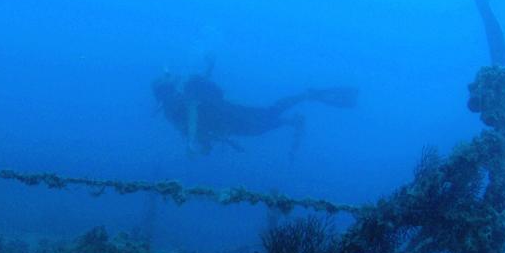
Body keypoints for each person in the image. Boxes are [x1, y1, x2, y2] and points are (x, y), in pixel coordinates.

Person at [152, 66, 357, 156]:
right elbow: (195, 127)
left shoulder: (178, 105)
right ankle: (297, 110)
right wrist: (211, 142)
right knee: (266, 119)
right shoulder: (176, 105)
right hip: (229, 117)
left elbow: (194, 120)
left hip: (230, 116)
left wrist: (192, 145)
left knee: (265, 120)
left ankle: (306, 97)